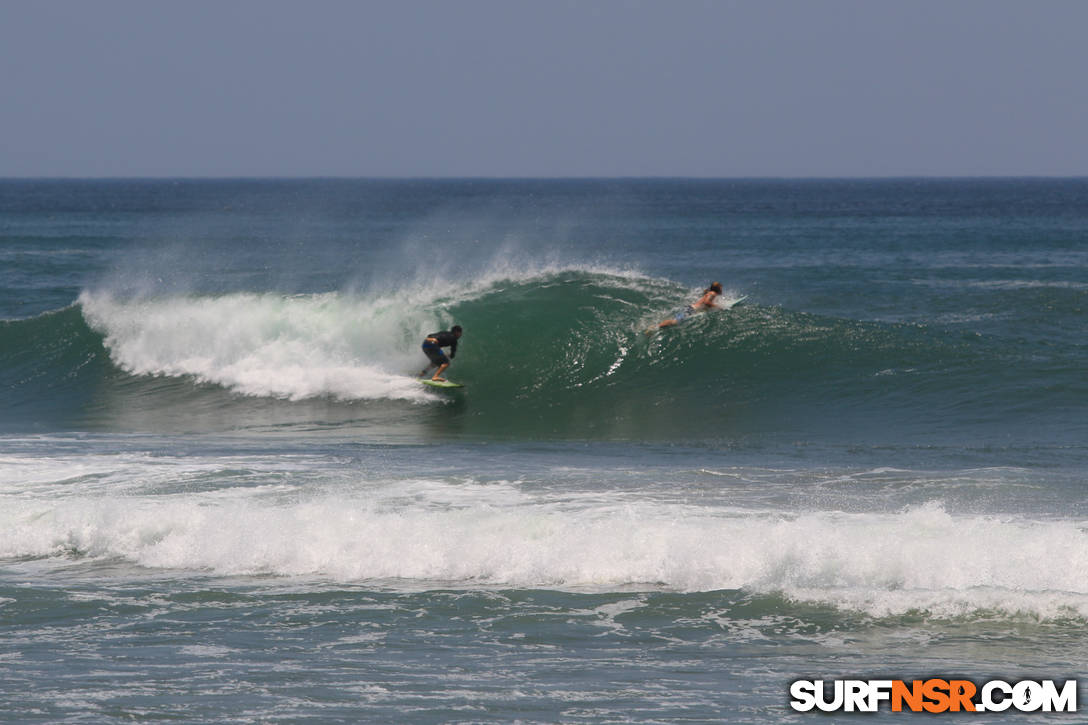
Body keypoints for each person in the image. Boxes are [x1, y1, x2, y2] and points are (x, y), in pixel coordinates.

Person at [653, 282, 724, 330]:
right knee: (675, 322)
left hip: (690, 309)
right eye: (721, 288)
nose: (722, 289)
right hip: (691, 310)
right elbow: (706, 302)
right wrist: (718, 307)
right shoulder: (713, 293)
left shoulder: (710, 293)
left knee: (675, 322)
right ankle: (655, 327)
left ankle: (656, 327)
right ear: (718, 288)